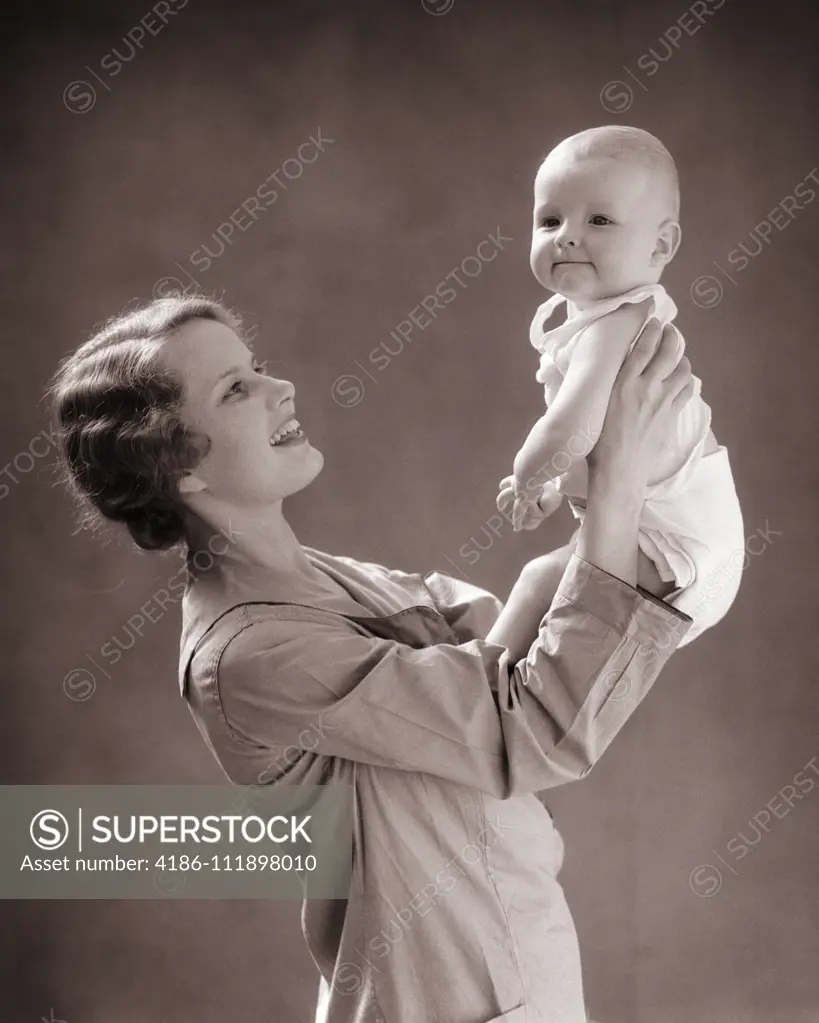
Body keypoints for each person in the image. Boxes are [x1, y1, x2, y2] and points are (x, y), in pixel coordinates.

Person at [47, 292, 694, 1023]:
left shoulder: (319, 575)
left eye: (256, 366)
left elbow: (505, 662)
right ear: (178, 467)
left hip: (523, 970)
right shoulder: (247, 654)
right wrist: (615, 487)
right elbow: (533, 725)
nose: (278, 387)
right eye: (235, 389)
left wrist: (608, 491)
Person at [498, 125, 744, 645]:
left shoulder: (617, 321)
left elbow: (573, 430)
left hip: (678, 541)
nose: (566, 234)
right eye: (549, 219)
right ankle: (480, 686)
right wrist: (551, 486)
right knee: (546, 597)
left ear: (660, 245)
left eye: (600, 220)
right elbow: (592, 450)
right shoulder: (596, 318)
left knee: (543, 589)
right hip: (659, 533)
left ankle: (466, 684)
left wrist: (527, 473)